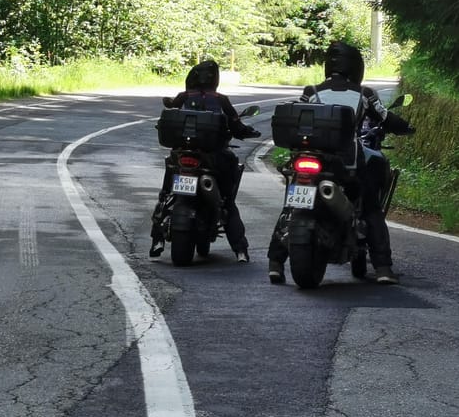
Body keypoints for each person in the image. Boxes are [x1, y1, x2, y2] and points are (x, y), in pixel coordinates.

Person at [266, 41, 413, 285]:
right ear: (356, 67)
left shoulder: (312, 91)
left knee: (290, 207)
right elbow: (385, 118)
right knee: (371, 208)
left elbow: (296, 112)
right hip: (347, 163)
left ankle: (275, 264)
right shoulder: (364, 94)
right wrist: (405, 127)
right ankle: (383, 268)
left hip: (309, 158)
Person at [150, 60, 261, 261]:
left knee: (166, 195)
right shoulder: (221, 100)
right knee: (227, 201)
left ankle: (157, 240)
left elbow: (168, 118)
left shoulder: (183, 97)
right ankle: (240, 249)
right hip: (214, 158)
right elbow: (236, 126)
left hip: (182, 156)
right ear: (215, 80)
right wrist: (247, 132)